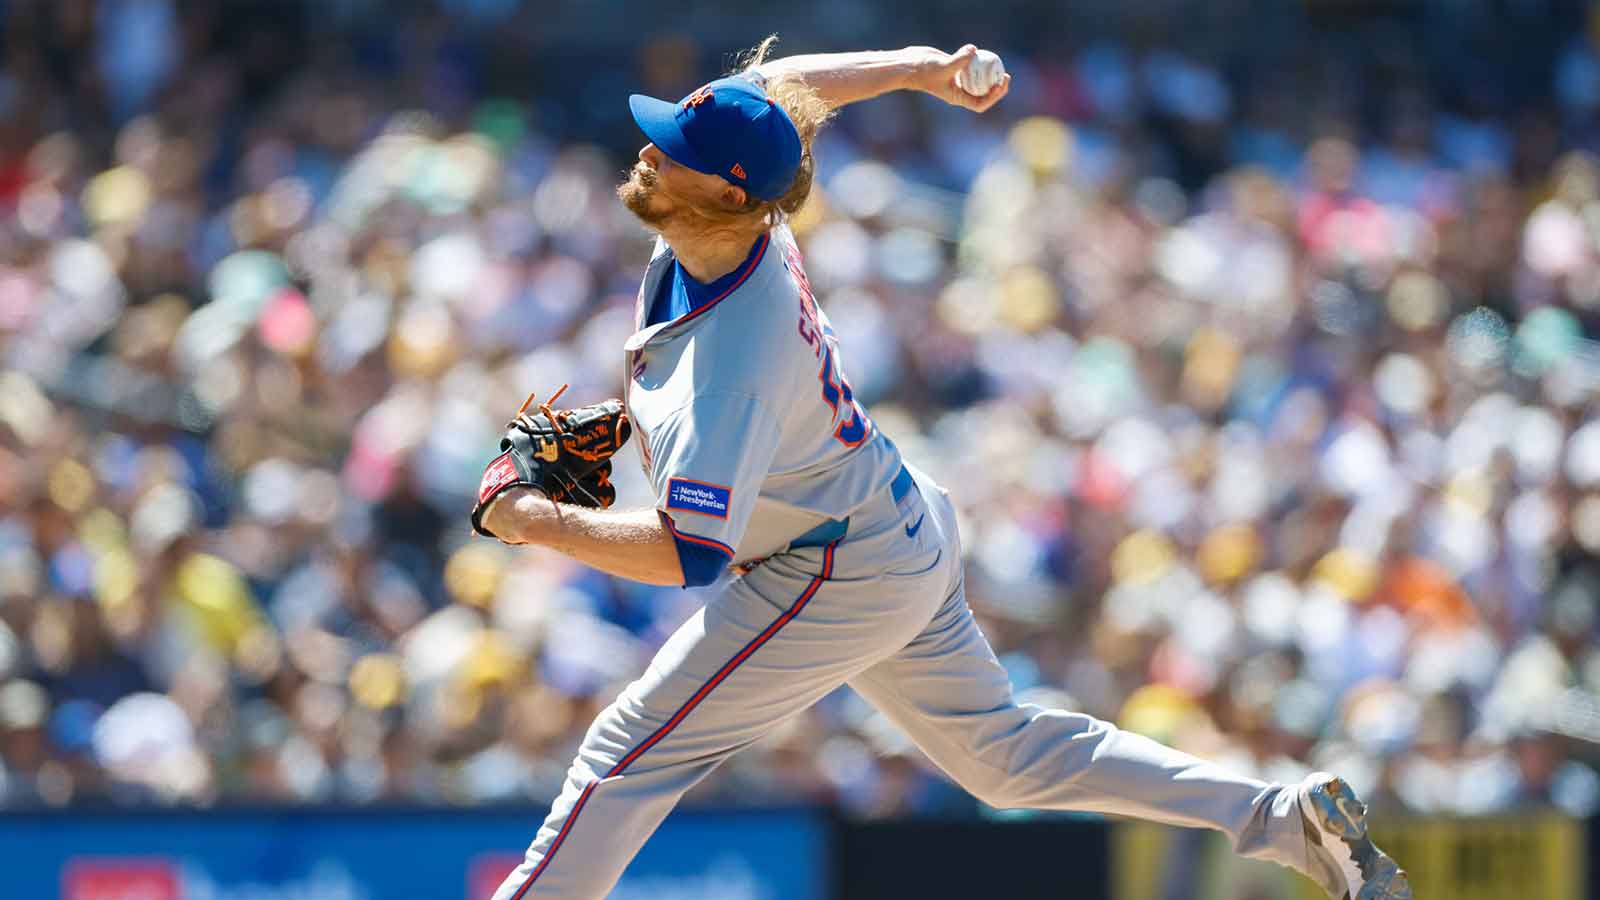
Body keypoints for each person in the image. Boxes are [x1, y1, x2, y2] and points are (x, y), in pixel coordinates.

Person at [478, 38, 1410, 900]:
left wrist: (531, 521)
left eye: (669, 149)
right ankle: (1278, 819)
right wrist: (922, 65)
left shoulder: (735, 360)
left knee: (628, 754)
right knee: (1001, 757)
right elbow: (787, 88)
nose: (645, 152)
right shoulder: (732, 206)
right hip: (890, 521)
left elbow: (690, 557)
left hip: (829, 568)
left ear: (727, 194)